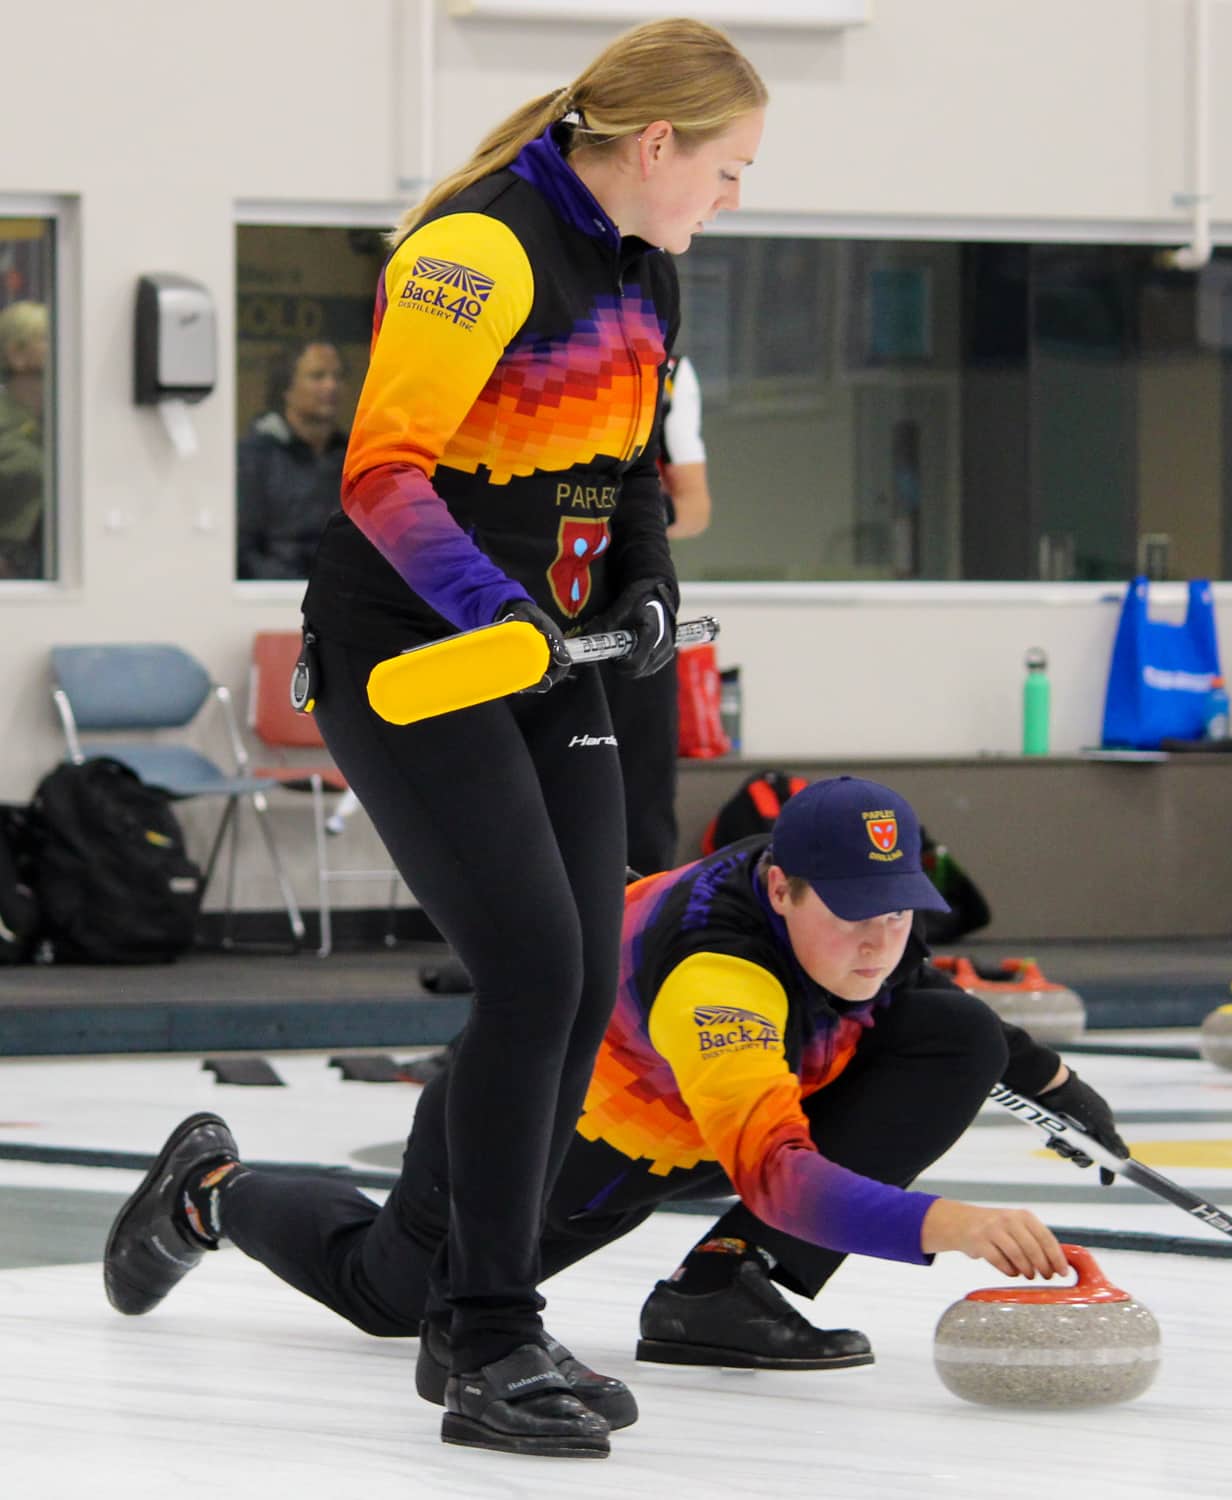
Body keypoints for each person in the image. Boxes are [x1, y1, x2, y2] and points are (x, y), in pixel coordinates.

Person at [139, 19, 765, 1462]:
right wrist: (499, 608)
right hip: (414, 651)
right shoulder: (476, 250)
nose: (734, 197)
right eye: (727, 169)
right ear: (656, 144)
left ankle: (479, 1301)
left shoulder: (643, 270)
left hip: (547, 657)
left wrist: (644, 589)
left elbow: (627, 475)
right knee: (533, 968)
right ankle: (483, 1335)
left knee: (591, 971)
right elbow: (381, 475)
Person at [104, 777, 1127, 1445]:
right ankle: (207, 1192)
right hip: (544, 1136)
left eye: (899, 911)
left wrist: (1054, 1088)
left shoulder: (857, 935)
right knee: (396, 1296)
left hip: (667, 1136)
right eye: (857, 916)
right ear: (781, 891)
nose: (881, 941)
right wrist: (953, 1225)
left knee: (962, 1036)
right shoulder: (716, 979)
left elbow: (927, 993)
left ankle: (724, 1288)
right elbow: (775, 1171)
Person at [602, 352, 713, 874]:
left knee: (642, 789)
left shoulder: (667, 370)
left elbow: (694, 509)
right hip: (525, 591)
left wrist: (627, 528)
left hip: (627, 598)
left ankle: (644, 923)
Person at [236, 340, 348, 579]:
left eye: (337, 376)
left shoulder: (352, 458)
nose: (331, 385)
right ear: (286, 388)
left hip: (341, 602)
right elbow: (241, 551)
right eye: (318, 376)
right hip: (271, 602)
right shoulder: (253, 459)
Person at [0, 299, 48, 580]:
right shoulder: (6, 424)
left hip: (46, 564)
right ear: (16, 353)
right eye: (46, 338)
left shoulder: (65, 425)